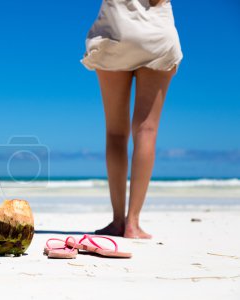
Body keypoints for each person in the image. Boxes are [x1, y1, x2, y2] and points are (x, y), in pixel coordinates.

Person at [82, 0, 183, 238]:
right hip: (156, 33)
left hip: (117, 29)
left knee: (116, 133)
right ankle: (133, 223)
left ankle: (118, 220)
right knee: (146, 130)